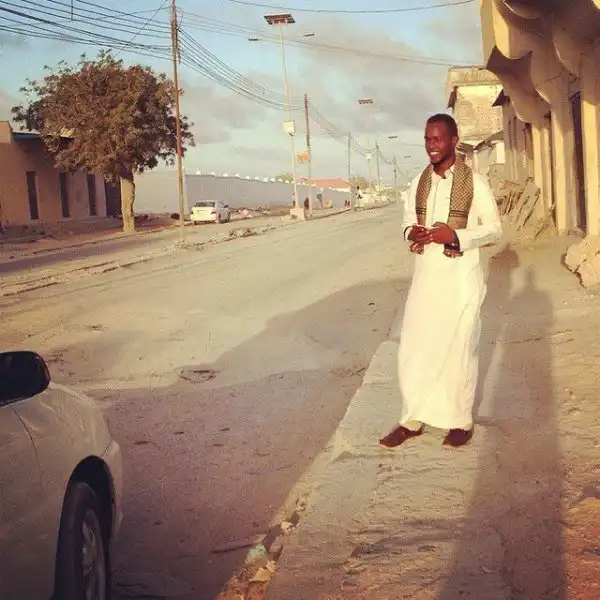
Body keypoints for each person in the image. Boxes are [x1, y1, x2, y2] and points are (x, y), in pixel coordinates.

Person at [380, 113, 502, 449]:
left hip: (460, 280)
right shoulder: (419, 182)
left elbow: (494, 229)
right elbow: (407, 219)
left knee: (459, 350)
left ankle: (459, 421)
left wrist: (456, 236)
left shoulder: (474, 182)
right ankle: (412, 418)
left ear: (453, 141)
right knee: (415, 348)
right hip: (426, 280)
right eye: (427, 139)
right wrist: (412, 231)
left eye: (438, 139)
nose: (431, 146)